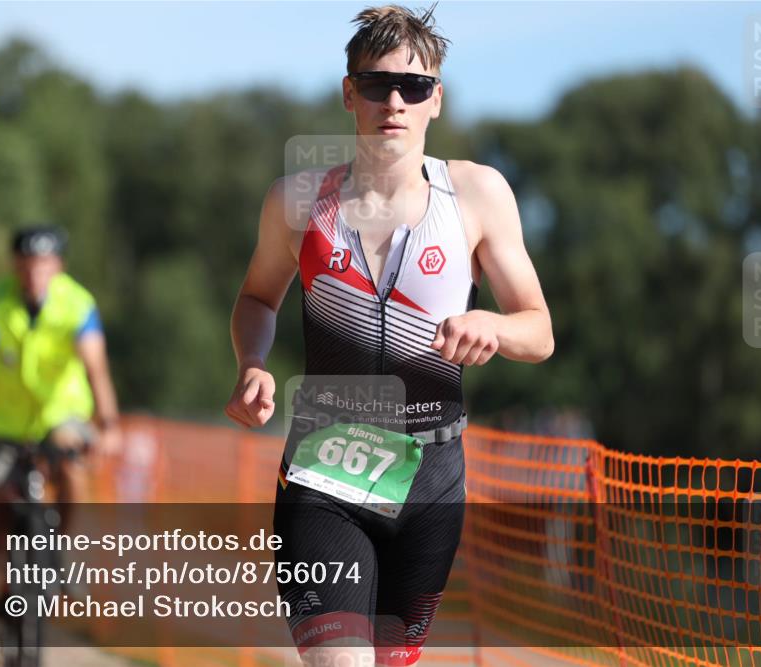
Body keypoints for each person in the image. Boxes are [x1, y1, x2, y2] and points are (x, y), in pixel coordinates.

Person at [224, 6, 553, 666]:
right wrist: (252, 362)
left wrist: (492, 323)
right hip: (325, 474)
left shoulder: (477, 196)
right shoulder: (297, 202)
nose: (394, 102)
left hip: (432, 479)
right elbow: (258, 296)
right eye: (376, 85)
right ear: (350, 93)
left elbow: (538, 330)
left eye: (415, 87)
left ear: (437, 99)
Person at [0, 224, 120, 664]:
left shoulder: (78, 304)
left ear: (58, 266)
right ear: (15, 266)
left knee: (72, 464)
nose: (34, 274)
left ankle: (63, 550)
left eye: (44, 265)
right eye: (27, 266)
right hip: (0, 425)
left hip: (58, 415)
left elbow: (96, 368)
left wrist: (109, 423)